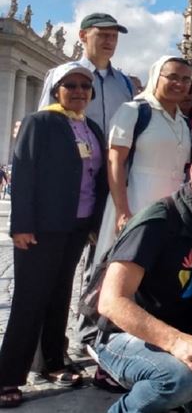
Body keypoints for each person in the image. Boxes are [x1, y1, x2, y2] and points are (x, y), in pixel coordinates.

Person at [96, 137, 192, 412]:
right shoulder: (159, 220)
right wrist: (175, 342)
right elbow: (111, 301)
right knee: (182, 378)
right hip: (128, 336)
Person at [0, 63, 108, 408]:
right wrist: (21, 224)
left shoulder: (91, 127)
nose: (79, 92)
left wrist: (95, 223)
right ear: (57, 89)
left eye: (85, 87)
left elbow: (98, 177)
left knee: (61, 294)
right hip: (42, 226)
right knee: (30, 300)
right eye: (71, 85)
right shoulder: (40, 122)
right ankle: (8, 375)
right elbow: (25, 172)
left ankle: (53, 361)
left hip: (76, 225)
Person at [91, 56, 192, 319]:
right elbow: (115, 161)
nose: (179, 84)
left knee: (154, 272)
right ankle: (98, 330)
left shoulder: (182, 121)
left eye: (185, 79)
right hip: (135, 199)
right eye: (172, 77)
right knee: (119, 270)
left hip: (169, 207)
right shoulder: (134, 111)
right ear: (156, 76)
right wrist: (123, 209)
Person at [38, 13, 134, 134]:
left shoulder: (126, 83)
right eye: (102, 35)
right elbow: (44, 122)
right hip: (72, 151)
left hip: (117, 152)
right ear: (83, 36)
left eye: (114, 36)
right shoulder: (60, 75)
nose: (109, 41)